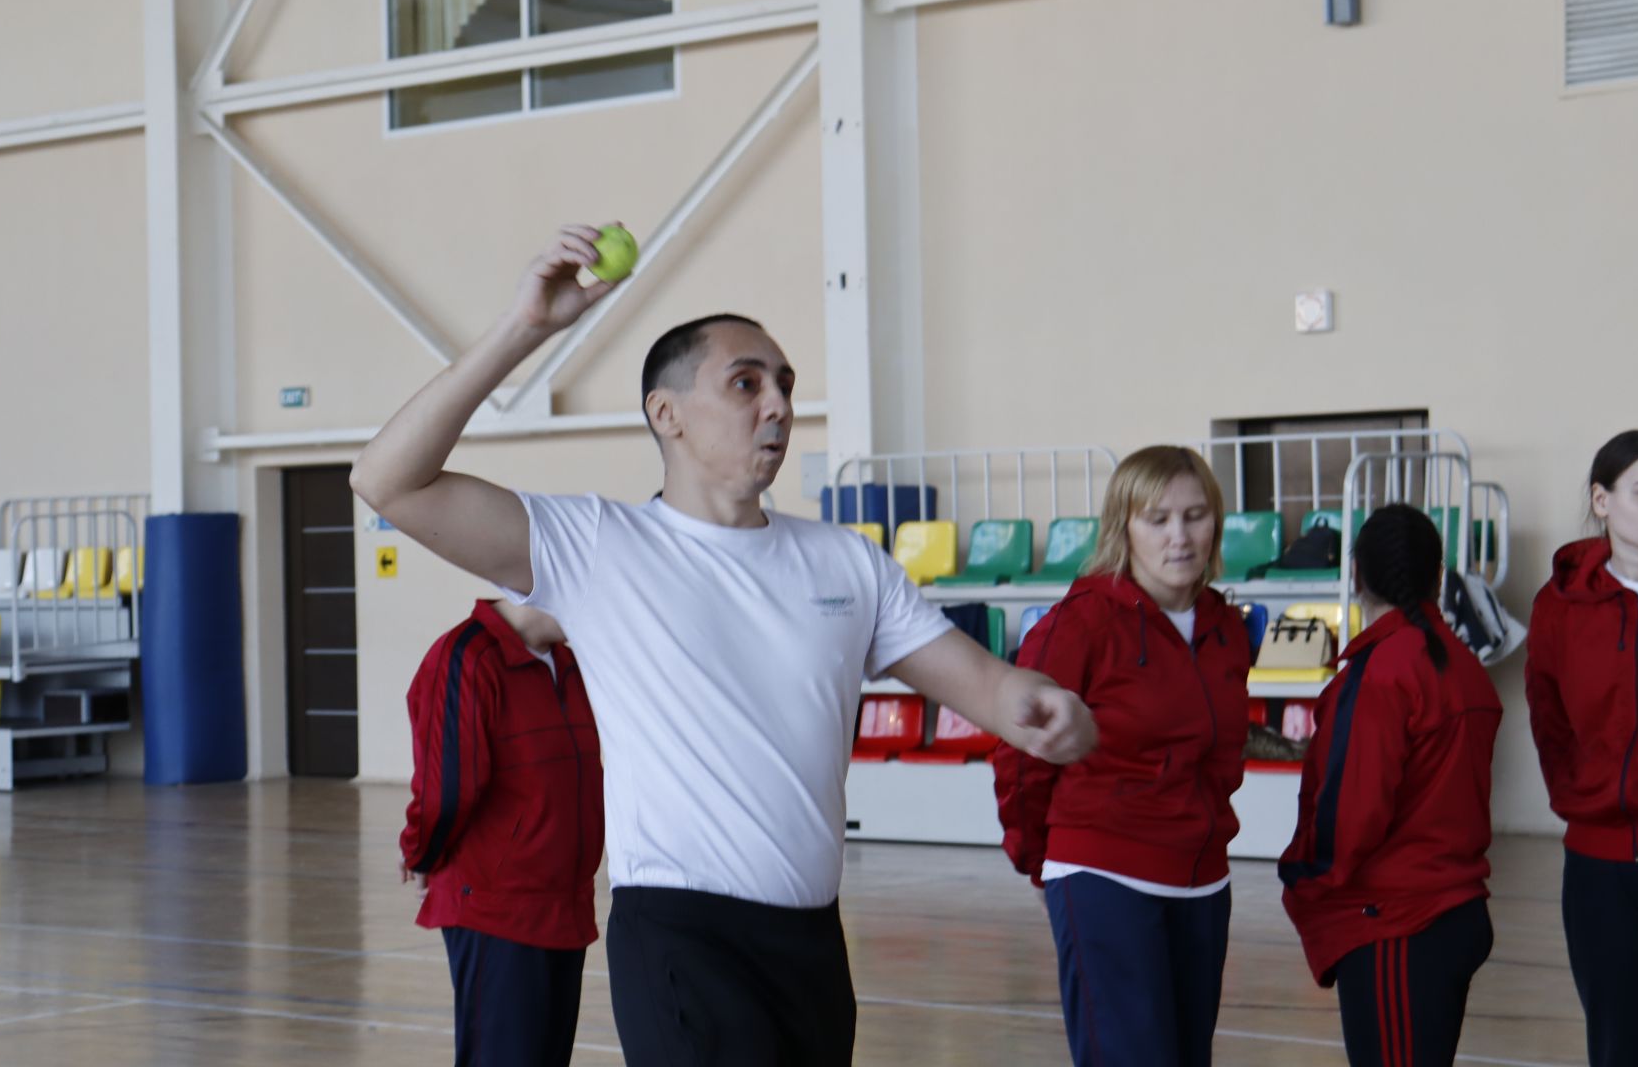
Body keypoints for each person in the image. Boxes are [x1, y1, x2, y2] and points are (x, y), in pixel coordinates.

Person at [351, 224, 1097, 1065]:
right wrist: (525, 330)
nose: (777, 404)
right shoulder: (599, 546)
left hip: (812, 945)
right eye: (745, 383)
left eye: (783, 384)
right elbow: (387, 480)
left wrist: (1036, 705)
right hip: (679, 937)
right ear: (665, 414)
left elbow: (987, 688)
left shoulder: (846, 562)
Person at [993, 445, 1249, 1067]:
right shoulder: (1078, 625)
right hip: (1104, 873)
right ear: (1123, 527)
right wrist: (1039, 860)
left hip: (1203, 880)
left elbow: (1219, 759)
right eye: (1157, 519)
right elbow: (1020, 758)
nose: (1180, 536)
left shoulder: (1227, 628)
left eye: (1195, 516)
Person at [1281, 504, 1501, 1067]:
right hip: (1454, 910)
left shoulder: (1382, 671)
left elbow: (1351, 810)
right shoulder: (1462, 664)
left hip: (1399, 924)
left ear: (1355, 574)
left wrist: (1303, 879)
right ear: (1439, 576)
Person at [401, 598, 602, 1067]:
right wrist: (421, 852)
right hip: (497, 913)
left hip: (564, 909)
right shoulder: (466, 656)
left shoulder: (570, 662)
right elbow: (446, 786)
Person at [1524, 428, 1638, 1067]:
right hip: (1598, 865)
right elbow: (1548, 719)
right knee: (1617, 1041)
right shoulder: (1560, 605)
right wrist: (1578, 794)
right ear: (1602, 500)